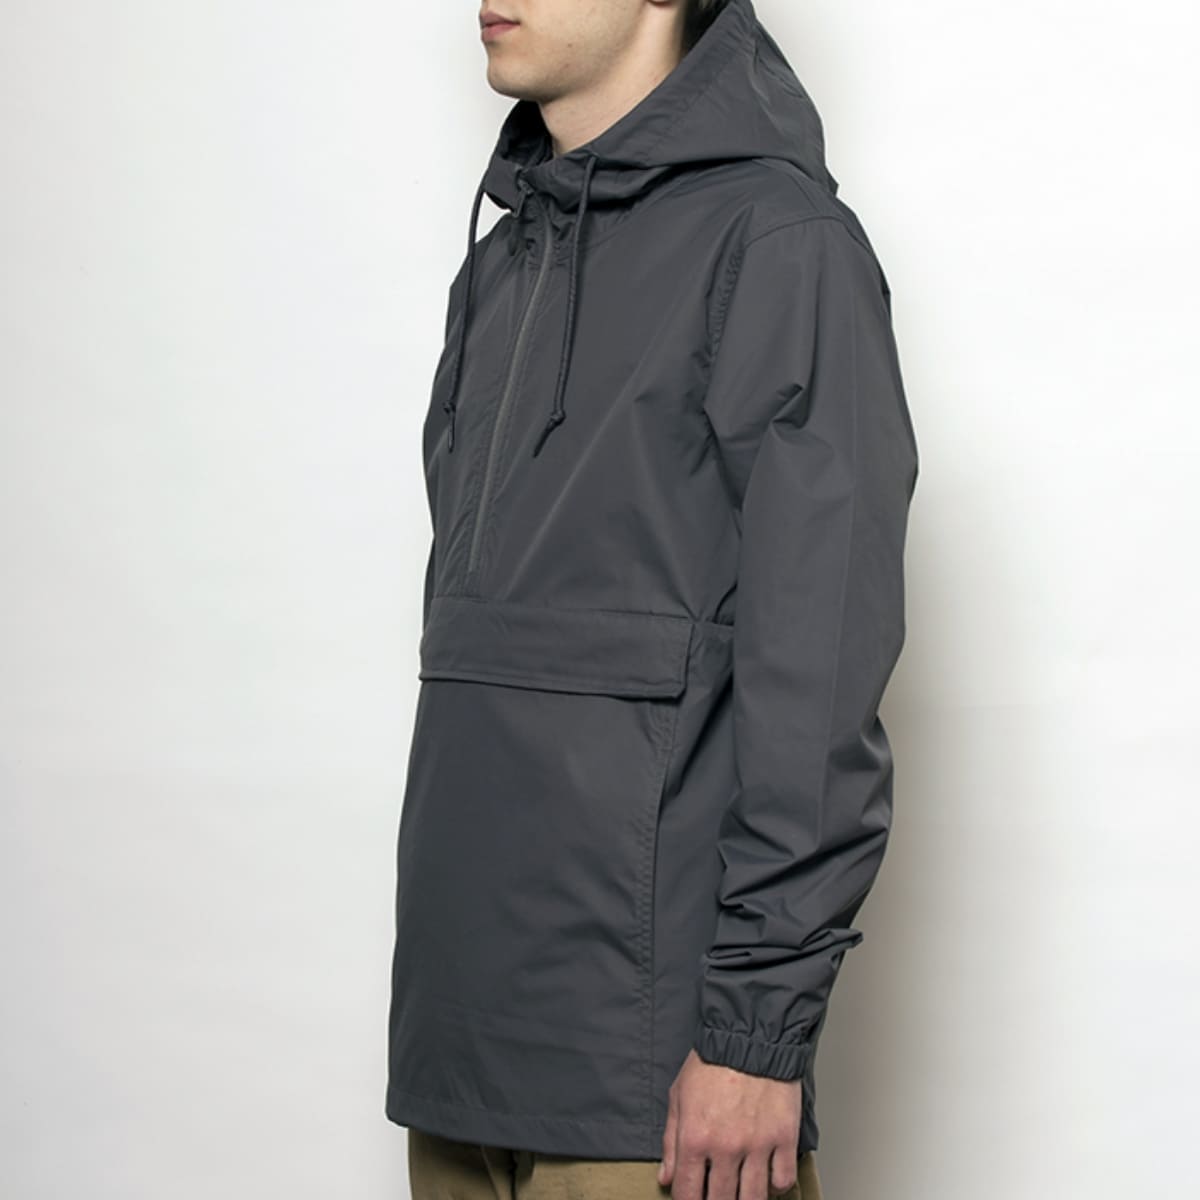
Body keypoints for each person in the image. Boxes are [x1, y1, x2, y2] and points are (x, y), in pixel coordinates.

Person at [385, 1, 919, 1196]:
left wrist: (754, 1034)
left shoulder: (781, 248)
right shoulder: (501, 267)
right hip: (456, 1050)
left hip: (658, 1084)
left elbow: (818, 678)